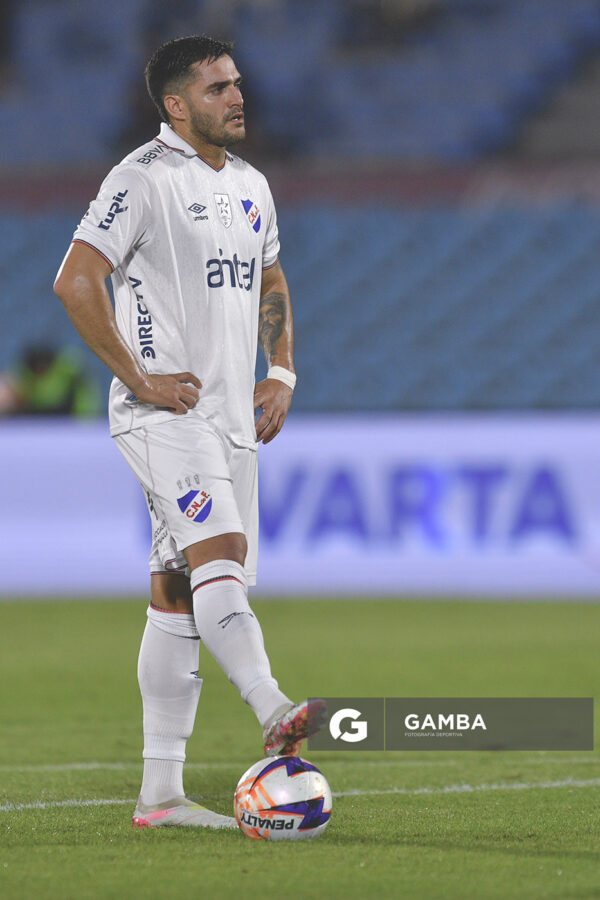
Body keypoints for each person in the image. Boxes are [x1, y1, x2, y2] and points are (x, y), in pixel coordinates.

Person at [54, 34, 325, 830]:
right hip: (162, 417)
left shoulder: (251, 185)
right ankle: (272, 704)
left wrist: (280, 371)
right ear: (176, 105)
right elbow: (76, 279)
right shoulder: (140, 179)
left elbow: (271, 277)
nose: (237, 97)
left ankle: (161, 796)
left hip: (229, 423)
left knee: (176, 592)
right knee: (223, 555)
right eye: (216, 89)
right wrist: (139, 379)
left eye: (237, 84)